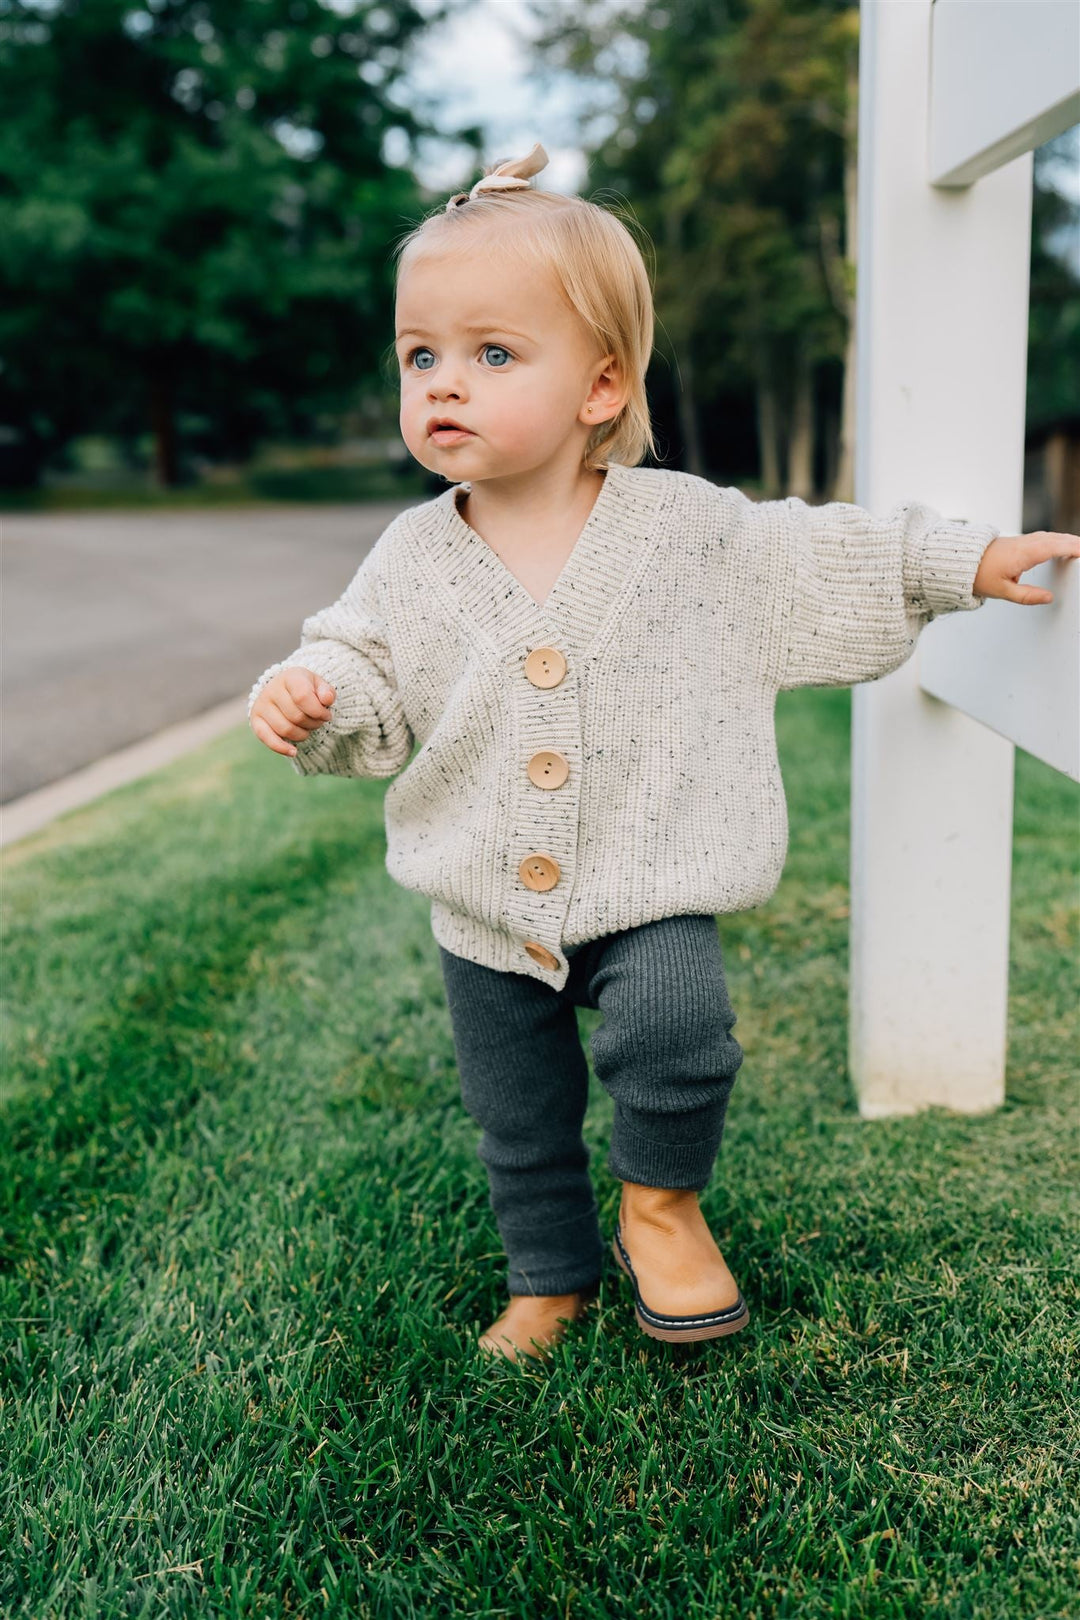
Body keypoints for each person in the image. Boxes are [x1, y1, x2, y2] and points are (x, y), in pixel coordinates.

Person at [248, 142, 1079, 1365]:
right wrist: (309, 695)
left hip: (654, 876)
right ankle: (548, 1273)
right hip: (485, 904)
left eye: (491, 354)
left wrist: (955, 561)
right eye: (421, 355)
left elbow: (820, 556)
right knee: (519, 1115)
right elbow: (360, 660)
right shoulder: (413, 558)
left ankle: (661, 1206)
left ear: (600, 387)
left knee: (681, 1031)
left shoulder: (688, 530)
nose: (444, 385)